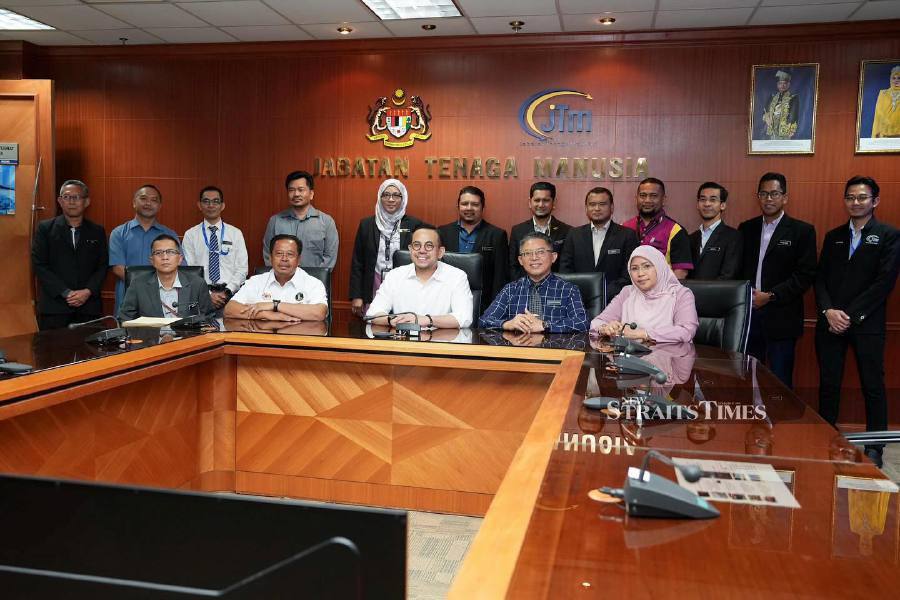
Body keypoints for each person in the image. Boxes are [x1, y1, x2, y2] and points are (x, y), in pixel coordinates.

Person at [815, 176, 899, 468]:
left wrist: (851, 315)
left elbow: (884, 282)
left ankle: (875, 445)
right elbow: (820, 278)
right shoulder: (833, 236)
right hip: (831, 323)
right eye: (850, 197)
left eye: (862, 197)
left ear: (874, 201)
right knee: (828, 384)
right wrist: (828, 311)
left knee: (872, 385)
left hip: (866, 324)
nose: (855, 202)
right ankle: (825, 437)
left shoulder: (888, 235)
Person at [738, 172, 817, 389]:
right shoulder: (746, 228)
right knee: (748, 378)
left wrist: (771, 296)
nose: (769, 199)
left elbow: (805, 275)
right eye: (764, 193)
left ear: (785, 197)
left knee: (780, 382)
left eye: (774, 193)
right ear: (758, 197)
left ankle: (781, 424)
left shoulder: (802, 231)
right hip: (749, 316)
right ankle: (753, 422)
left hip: (782, 317)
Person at [31, 179, 108, 330]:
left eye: (77, 197)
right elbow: (39, 265)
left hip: (89, 307)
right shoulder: (45, 229)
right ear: (60, 201)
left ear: (86, 202)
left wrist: (87, 291)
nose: (72, 201)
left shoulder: (97, 231)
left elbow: (103, 265)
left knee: (90, 352)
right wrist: (65, 292)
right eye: (67, 197)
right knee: (53, 352)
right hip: (54, 307)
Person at [365, 226, 473, 329]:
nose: (422, 250)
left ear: (440, 252)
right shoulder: (395, 275)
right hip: (403, 343)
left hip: (441, 344)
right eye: (417, 245)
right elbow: (372, 314)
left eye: (429, 245)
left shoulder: (457, 277)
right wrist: (391, 320)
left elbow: (464, 318)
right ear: (410, 250)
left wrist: (426, 320)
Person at [480, 231, 588, 333]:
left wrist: (544, 325)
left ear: (553, 257)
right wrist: (507, 324)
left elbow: (582, 323)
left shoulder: (568, 290)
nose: (534, 258)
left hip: (555, 350)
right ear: (520, 260)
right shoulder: (510, 290)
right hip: (518, 348)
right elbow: (484, 320)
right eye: (527, 253)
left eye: (540, 252)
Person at [349, 179, 426, 318]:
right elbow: (358, 262)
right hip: (374, 281)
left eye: (396, 195)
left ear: (403, 198)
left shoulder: (415, 224)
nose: (391, 199)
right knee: (375, 322)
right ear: (380, 197)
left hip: (404, 283)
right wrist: (357, 295)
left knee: (402, 322)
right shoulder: (366, 224)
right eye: (386, 195)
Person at [591, 245, 699, 344]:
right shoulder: (627, 292)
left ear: (659, 266)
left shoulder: (681, 294)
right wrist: (605, 328)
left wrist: (644, 334)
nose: (640, 274)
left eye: (647, 266)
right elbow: (596, 322)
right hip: (630, 359)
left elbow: (686, 331)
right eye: (634, 268)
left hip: (670, 359)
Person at [109, 184, 181, 311]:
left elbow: (178, 266)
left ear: (159, 206)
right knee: (127, 331)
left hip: (164, 299)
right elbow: (118, 269)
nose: (148, 203)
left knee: (164, 331)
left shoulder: (170, 235)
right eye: (143, 198)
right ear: (134, 203)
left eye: (154, 200)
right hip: (128, 299)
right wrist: (148, 288)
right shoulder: (118, 233)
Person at [559, 186, 639, 300]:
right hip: (579, 299)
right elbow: (565, 270)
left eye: (602, 204)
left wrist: (604, 293)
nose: (597, 208)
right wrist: (581, 291)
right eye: (592, 204)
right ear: (586, 208)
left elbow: (629, 272)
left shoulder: (627, 235)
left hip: (615, 300)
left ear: (612, 207)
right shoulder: (574, 234)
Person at [225, 234, 328, 322]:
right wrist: (267, 315)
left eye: (290, 254)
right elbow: (230, 309)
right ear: (270, 258)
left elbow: (319, 313)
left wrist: (275, 305)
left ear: (299, 259)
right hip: (262, 341)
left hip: (299, 341)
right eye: (279, 254)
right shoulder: (256, 282)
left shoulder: (313, 283)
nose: (284, 259)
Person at [437, 186, 508, 312]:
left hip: (483, 306)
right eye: (465, 204)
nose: (469, 208)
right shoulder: (442, 232)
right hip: (446, 304)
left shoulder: (497, 235)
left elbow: (499, 278)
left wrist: (494, 310)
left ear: (482, 207)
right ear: (458, 206)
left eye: (475, 204)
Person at [118, 234, 215, 322]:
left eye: (170, 252)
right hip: (151, 339)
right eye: (158, 253)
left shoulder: (197, 284)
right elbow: (124, 318)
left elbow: (208, 317)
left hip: (187, 339)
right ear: (152, 260)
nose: (165, 257)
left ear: (180, 259)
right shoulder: (138, 284)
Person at [182, 186, 248, 314]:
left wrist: (227, 291)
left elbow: (242, 269)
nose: (211, 205)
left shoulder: (235, 233)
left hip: (231, 296)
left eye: (215, 201)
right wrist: (207, 294)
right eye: (206, 201)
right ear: (199, 205)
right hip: (200, 295)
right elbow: (190, 270)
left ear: (222, 205)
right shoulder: (190, 235)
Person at [262, 170, 338, 269]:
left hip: (314, 282)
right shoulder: (275, 221)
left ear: (311, 194)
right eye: (291, 190)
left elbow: (330, 257)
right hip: (282, 282)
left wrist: (313, 281)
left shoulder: (327, 222)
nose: (296, 194)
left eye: (301, 189)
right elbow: (268, 254)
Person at [622, 177, 693, 278]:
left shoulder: (675, 230)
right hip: (629, 291)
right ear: (636, 198)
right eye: (643, 195)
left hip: (662, 292)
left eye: (653, 196)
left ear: (663, 199)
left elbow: (680, 273)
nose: (647, 200)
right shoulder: (625, 227)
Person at [508, 181, 571, 280]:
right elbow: (513, 265)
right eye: (537, 200)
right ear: (530, 202)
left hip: (556, 290)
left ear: (553, 203)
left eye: (546, 200)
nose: (541, 205)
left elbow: (566, 266)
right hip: (524, 289)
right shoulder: (517, 231)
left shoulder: (567, 231)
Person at [688, 182, 743, 280]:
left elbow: (729, 274)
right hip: (690, 294)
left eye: (713, 200)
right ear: (697, 204)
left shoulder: (733, 237)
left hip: (719, 294)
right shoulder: (691, 238)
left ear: (722, 205)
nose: (707, 204)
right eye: (703, 199)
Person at [762, 70, 799, 140]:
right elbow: (765, 110)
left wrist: (791, 129)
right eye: (780, 83)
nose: (782, 85)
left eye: (785, 83)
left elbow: (794, 115)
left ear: (788, 84)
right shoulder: (772, 96)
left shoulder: (793, 97)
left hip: (785, 128)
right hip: (772, 126)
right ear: (777, 85)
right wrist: (767, 118)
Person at [872, 65, 900, 138]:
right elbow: (878, 115)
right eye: (893, 78)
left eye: (899, 78)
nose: (896, 80)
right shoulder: (883, 94)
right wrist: (875, 135)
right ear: (890, 79)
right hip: (884, 135)